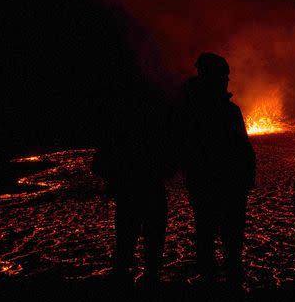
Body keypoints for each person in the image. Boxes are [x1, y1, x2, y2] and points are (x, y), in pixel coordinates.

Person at [178, 52, 256, 283]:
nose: (226, 80)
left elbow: (242, 147)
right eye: (223, 75)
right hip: (216, 183)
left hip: (221, 183)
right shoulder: (202, 111)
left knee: (217, 233)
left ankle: (219, 274)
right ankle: (218, 278)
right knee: (214, 233)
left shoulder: (207, 109)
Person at [92, 76, 175, 283]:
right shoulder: (156, 131)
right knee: (152, 249)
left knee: (125, 247)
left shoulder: (119, 128)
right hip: (150, 194)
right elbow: (170, 166)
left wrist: (116, 178)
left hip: (127, 195)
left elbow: (99, 164)